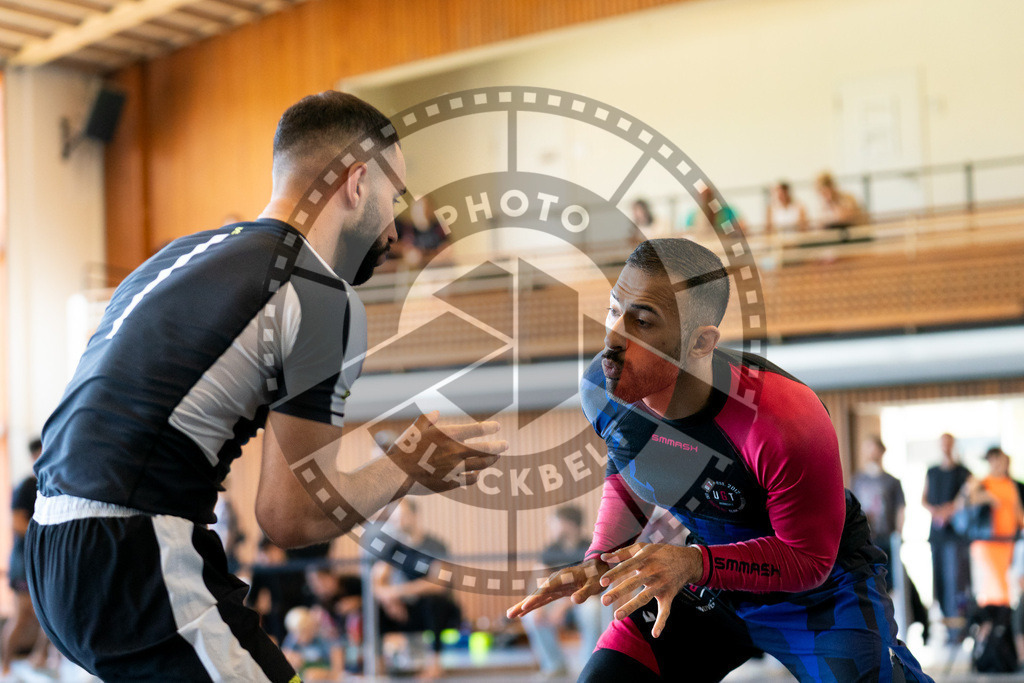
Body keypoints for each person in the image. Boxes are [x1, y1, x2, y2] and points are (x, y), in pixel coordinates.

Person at [25, 91, 508, 682]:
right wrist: (407, 463)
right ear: (356, 183)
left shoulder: (174, 257)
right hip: (134, 554)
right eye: (394, 196)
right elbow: (291, 517)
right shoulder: (320, 293)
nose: (395, 226)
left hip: (50, 550)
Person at [508, 238, 931, 681]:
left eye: (642, 321)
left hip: (818, 589)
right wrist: (600, 557)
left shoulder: (784, 419)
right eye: (614, 310)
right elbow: (630, 470)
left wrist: (693, 563)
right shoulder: (603, 387)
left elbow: (808, 560)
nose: (613, 338)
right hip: (704, 578)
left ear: (700, 342)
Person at [369, 499, 462, 679]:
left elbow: (438, 584)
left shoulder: (435, 545)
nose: (398, 523)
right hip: (406, 611)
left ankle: (435, 664)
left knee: (434, 602)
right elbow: (377, 584)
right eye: (394, 519)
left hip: (440, 611)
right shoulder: (393, 549)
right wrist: (390, 602)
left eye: (402, 517)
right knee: (375, 608)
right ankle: (378, 665)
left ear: (414, 516)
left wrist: (397, 592)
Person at [851, 435, 929, 642]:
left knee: (896, 580)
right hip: (864, 539)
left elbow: (900, 509)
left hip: (886, 539)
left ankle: (919, 622)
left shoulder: (892, 481)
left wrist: (899, 533)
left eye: (873, 447)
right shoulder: (858, 479)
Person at [521, 505, 604, 677]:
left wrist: (563, 607)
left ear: (568, 524)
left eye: (554, 522)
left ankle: (588, 666)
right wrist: (537, 604)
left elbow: (590, 585)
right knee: (530, 615)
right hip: (559, 599)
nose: (549, 525)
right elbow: (539, 580)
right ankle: (554, 666)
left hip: (586, 598)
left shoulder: (590, 547)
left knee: (592, 610)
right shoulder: (550, 550)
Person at [1, 439, 51, 679]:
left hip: (44, 561)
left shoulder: (50, 485)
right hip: (23, 562)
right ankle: (6, 666)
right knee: (21, 617)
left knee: (50, 616)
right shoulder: (26, 486)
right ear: (35, 456)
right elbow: (18, 523)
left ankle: (39, 657)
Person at [923, 432, 973, 638]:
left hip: (956, 534)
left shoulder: (963, 471)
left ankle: (959, 628)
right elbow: (924, 498)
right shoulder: (932, 471)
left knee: (957, 579)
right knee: (940, 578)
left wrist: (950, 510)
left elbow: (968, 496)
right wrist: (937, 512)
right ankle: (945, 624)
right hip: (937, 534)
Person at [281, 606, 343, 681]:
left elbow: (338, 671)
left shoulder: (325, 638)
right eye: (295, 632)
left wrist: (325, 674)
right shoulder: (292, 640)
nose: (298, 637)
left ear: (311, 626)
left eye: (303, 630)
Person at [680, 185, 747, 238]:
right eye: (704, 195)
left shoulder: (726, 211)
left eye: (709, 195)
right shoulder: (693, 215)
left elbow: (741, 226)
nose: (707, 198)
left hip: (723, 243)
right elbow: (687, 232)